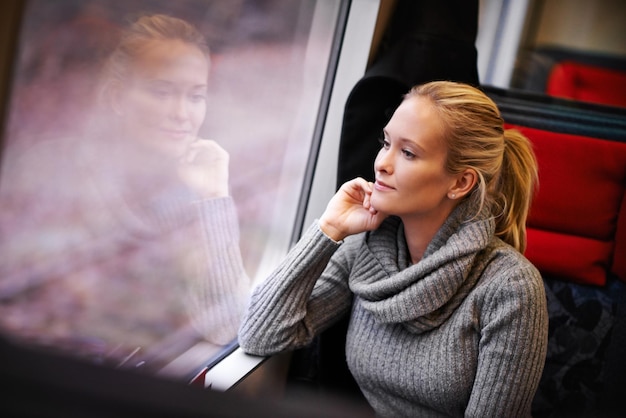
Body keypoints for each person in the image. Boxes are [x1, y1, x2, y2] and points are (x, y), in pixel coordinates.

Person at [239, 81, 549, 417]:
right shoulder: (366, 249)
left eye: (408, 153)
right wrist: (330, 228)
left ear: (460, 183)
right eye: (385, 143)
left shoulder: (509, 287)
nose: (382, 164)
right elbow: (260, 335)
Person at [0, 14, 250, 369]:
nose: (182, 113)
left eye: (195, 97)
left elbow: (229, 325)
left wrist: (213, 198)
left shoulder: (189, 189)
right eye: (161, 92)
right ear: (117, 96)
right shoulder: (53, 169)